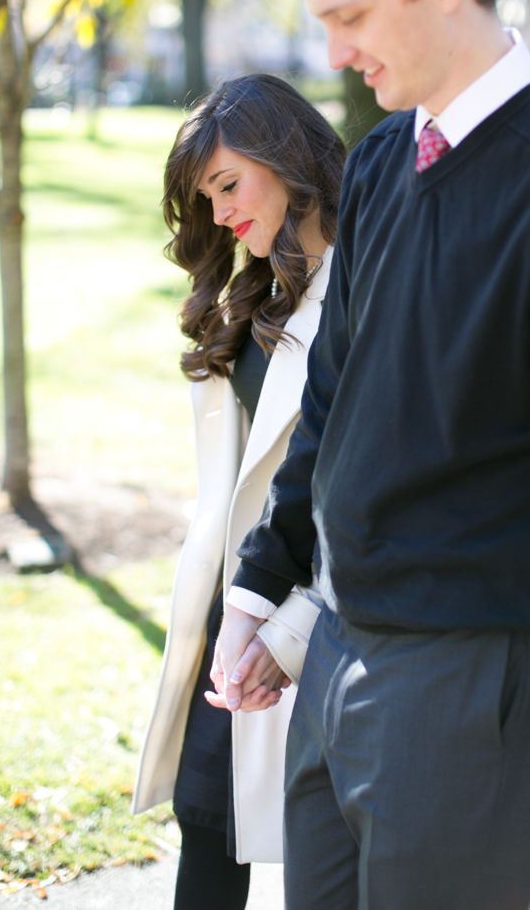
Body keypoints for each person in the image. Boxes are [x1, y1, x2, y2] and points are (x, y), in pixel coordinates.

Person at [214, 0, 530, 909]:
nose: (333, 52)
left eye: (350, 15)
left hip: (471, 682)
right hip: (336, 654)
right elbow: (331, 402)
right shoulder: (382, 163)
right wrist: (259, 592)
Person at [133, 74, 345, 910]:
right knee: (207, 820)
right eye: (205, 197)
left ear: (286, 158)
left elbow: (357, 494)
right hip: (234, 608)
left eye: (228, 185)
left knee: (322, 859)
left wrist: (287, 631)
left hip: (318, 618)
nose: (219, 214)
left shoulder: (359, 293)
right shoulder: (254, 290)